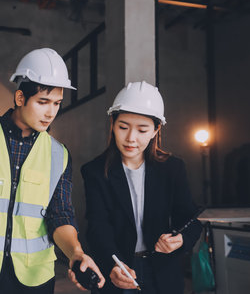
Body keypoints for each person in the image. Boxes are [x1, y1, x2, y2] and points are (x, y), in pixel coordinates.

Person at [0, 48, 105, 294]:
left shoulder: (58, 154)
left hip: (36, 278)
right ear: (20, 98)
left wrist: (76, 252)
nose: (51, 112)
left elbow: (60, 215)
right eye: (43, 102)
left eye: (57, 103)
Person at [81, 81, 202, 294]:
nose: (131, 138)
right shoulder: (95, 171)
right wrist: (112, 265)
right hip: (120, 270)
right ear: (113, 124)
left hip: (163, 271)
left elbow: (190, 220)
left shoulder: (172, 169)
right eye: (123, 127)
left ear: (156, 130)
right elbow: (98, 226)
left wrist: (180, 239)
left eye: (142, 129)